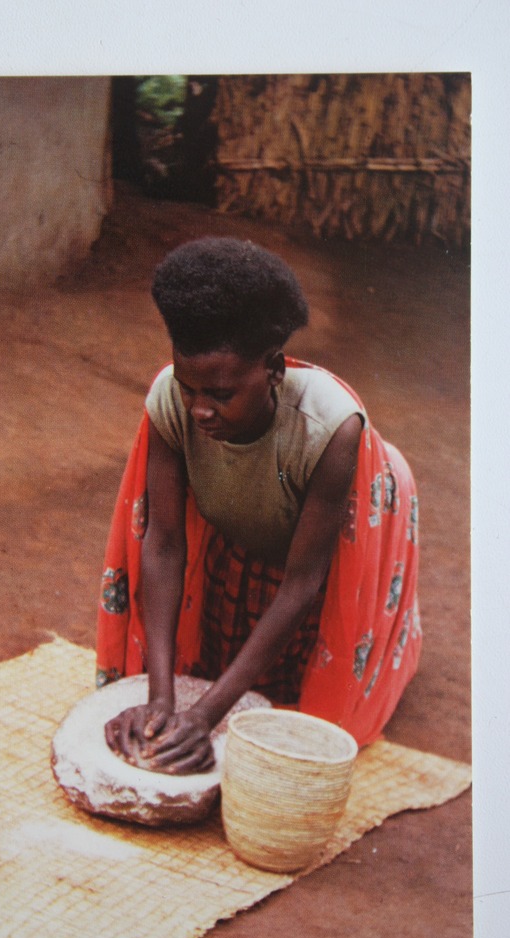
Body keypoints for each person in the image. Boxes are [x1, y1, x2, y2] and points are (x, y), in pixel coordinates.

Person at [96, 237, 421, 772]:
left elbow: (302, 583)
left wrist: (204, 718)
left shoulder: (330, 430)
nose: (200, 410)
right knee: (212, 669)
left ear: (273, 369)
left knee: (296, 709)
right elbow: (164, 541)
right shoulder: (170, 402)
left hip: (340, 533)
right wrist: (160, 699)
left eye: (221, 395)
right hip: (249, 520)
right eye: (188, 388)